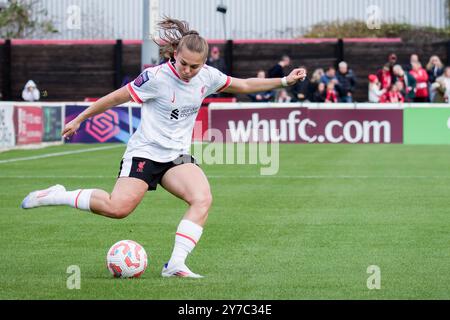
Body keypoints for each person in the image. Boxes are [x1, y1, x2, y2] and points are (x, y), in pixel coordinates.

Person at [20, 17, 307, 279]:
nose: (188, 71)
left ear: (204, 63)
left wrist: (285, 80)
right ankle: (57, 195)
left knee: (202, 198)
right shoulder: (155, 78)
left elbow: (243, 85)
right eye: (183, 63)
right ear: (174, 54)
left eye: (195, 66)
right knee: (117, 209)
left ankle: (175, 265)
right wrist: (80, 118)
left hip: (177, 157)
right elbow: (115, 98)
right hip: (145, 153)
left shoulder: (207, 77)